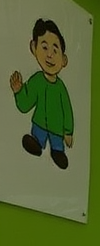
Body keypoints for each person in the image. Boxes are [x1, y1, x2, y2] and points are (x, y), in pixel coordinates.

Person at [10, 18, 74, 170]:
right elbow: (26, 103)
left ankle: (57, 152)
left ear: (63, 60)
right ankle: (36, 144)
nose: (49, 55)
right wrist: (19, 91)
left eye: (55, 50)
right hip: (38, 122)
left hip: (57, 128)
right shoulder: (37, 80)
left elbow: (67, 110)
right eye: (44, 48)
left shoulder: (60, 88)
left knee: (57, 144)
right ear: (34, 48)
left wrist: (68, 131)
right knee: (37, 136)